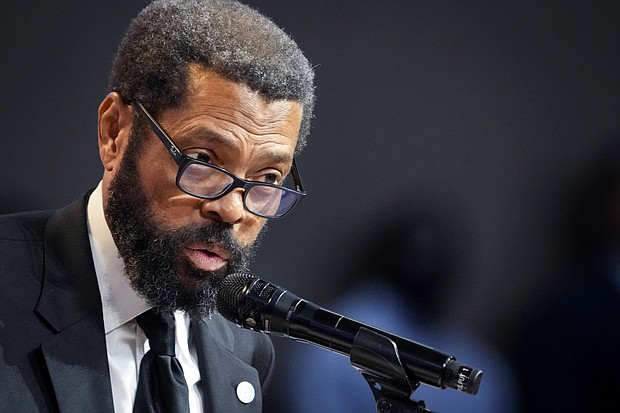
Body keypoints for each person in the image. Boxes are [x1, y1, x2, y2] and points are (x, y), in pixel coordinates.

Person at [0, 1, 315, 412]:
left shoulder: (245, 348)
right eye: (203, 160)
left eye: (268, 179)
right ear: (115, 132)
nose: (233, 210)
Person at [269, 193, 520, 413]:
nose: (427, 266)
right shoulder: (330, 345)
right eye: (415, 255)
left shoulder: (480, 364)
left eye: (436, 258)